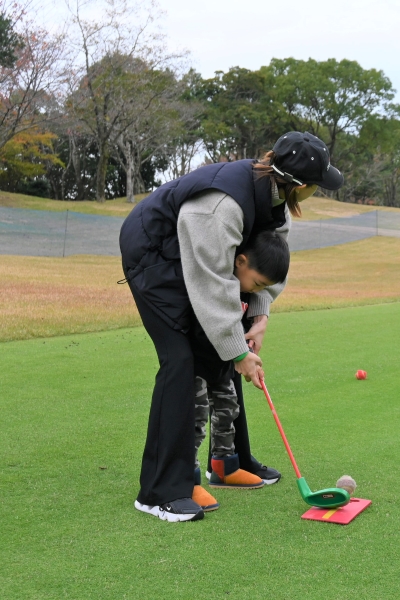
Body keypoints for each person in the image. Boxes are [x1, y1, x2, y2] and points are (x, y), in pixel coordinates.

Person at [120, 131, 343, 522]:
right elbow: (208, 279)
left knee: (226, 344)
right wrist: (237, 349)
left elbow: (266, 269)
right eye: (318, 186)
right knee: (181, 360)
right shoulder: (219, 207)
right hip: (155, 255)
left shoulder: (277, 205)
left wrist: (257, 317)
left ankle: (226, 461)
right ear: (301, 185)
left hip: (206, 261)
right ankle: (159, 491)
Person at [191, 231, 291, 513]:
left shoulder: (246, 288)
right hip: (197, 359)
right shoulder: (220, 284)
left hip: (224, 361)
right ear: (240, 261)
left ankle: (223, 468)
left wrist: (245, 349)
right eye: (258, 283)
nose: (258, 291)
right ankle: (187, 478)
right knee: (195, 417)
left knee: (228, 407)